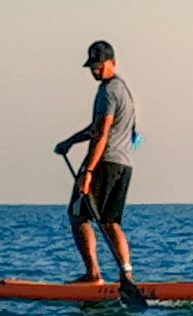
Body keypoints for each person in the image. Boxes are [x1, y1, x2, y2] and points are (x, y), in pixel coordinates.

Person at [54, 40, 138, 286]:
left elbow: (102, 133)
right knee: (110, 221)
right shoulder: (124, 90)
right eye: (92, 66)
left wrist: (88, 171)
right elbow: (99, 127)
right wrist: (71, 141)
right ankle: (127, 276)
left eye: (100, 66)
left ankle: (93, 275)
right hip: (124, 165)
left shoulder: (109, 91)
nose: (95, 71)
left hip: (104, 164)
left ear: (113, 63)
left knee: (78, 215)